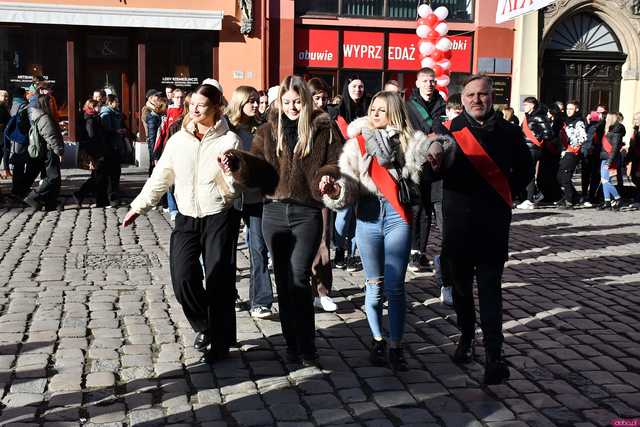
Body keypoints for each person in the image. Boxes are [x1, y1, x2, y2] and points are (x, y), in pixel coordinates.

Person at [123, 84, 249, 363]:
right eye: (192, 104)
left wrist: (230, 175)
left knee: (218, 279)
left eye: (201, 106)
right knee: (182, 278)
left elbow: (236, 189)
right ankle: (205, 326)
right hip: (187, 217)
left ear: (216, 108)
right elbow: (161, 177)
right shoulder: (178, 140)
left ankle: (219, 342)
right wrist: (138, 207)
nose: (193, 109)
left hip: (219, 215)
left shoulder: (230, 141)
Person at [323, 91, 445, 371]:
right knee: (374, 288)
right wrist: (335, 190)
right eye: (373, 109)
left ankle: (396, 345)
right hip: (367, 215)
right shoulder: (357, 144)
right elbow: (348, 186)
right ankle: (378, 338)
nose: (375, 114)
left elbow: (432, 153)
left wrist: (437, 147)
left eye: (382, 110)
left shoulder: (408, 141)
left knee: (396, 286)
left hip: (396, 216)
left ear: (395, 112)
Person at [225, 75, 341, 366]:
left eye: (297, 102)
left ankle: (308, 344)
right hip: (273, 213)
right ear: (280, 103)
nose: (292, 107)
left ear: (306, 101)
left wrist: (327, 175)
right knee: (284, 280)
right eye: (287, 102)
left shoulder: (323, 128)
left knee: (299, 275)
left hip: (307, 213)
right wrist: (236, 162)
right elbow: (257, 169)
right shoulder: (267, 130)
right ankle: (292, 344)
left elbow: (337, 160)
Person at [425, 75, 533, 385]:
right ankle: (467, 334)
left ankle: (494, 355)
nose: (477, 100)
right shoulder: (448, 131)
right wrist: (431, 167)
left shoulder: (511, 133)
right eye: (471, 95)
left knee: (490, 290)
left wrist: (506, 194)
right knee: (459, 289)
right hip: (458, 226)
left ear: (492, 97)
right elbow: (428, 176)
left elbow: (525, 171)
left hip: (492, 225)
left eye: (482, 94)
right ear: (463, 99)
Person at [224, 86, 275, 318]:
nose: (256, 105)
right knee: (228, 250)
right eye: (251, 101)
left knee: (259, 248)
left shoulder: (262, 127)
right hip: (231, 197)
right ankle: (229, 294)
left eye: (257, 101)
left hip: (255, 197)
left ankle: (260, 300)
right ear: (240, 102)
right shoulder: (226, 128)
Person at [406, 67, 446, 273]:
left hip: (437, 165)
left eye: (432, 81)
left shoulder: (442, 103)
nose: (429, 85)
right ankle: (413, 251)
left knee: (430, 209)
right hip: (416, 163)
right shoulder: (409, 105)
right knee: (417, 208)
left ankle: (420, 252)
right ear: (418, 83)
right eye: (425, 81)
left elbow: (443, 130)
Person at [307, 77, 341, 312]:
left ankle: (322, 291)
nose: (320, 101)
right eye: (316, 97)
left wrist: (329, 174)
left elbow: (339, 155)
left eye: (324, 98)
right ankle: (303, 289)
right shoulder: (296, 121)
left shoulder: (330, 123)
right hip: (297, 191)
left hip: (321, 191)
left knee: (322, 240)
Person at [332, 76, 369, 271]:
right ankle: (339, 249)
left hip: (365, 166)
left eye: (361, 86)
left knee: (359, 213)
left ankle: (352, 254)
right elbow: (348, 133)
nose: (358, 89)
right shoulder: (339, 111)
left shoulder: (370, 108)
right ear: (348, 88)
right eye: (354, 86)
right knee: (344, 212)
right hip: (345, 167)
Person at [23, 94, 65, 210]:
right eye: (50, 102)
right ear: (44, 104)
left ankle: (51, 203)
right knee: (53, 177)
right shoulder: (44, 117)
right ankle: (33, 196)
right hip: (50, 151)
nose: (52, 104)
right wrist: (59, 151)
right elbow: (50, 136)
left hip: (49, 150)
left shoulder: (42, 116)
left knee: (54, 178)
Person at [517, 97, 554, 209]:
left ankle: (529, 199)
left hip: (533, 148)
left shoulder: (538, 117)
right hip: (526, 148)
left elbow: (549, 133)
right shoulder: (528, 117)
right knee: (525, 173)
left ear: (532, 105)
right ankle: (526, 198)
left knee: (529, 174)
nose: (524, 107)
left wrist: (537, 138)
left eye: (526, 105)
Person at [75, 99, 110, 207]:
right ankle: (82, 194)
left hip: (98, 150)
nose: (99, 108)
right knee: (99, 177)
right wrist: (95, 154)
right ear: (92, 107)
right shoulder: (90, 119)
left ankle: (84, 195)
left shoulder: (94, 117)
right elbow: (92, 137)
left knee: (99, 176)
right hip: (95, 152)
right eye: (97, 106)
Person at [556, 100, 587, 208]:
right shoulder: (566, 121)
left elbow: (583, 138)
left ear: (576, 109)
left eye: (571, 109)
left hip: (573, 152)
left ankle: (569, 200)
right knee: (559, 176)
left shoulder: (579, 122)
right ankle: (575, 196)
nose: (568, 111)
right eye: (567, 109)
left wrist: (572, 141)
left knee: (565, 177)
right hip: (565, 152)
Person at [100, 95, 126, 201]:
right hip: (110, 147)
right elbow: (106, 130)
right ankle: (111, 196)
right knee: (111, 172)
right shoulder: (106, 113)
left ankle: (114, 193)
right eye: (116, 102)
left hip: (116, 145)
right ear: (110, 103)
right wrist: (117, 131)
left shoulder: (116, 112)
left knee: (116, 171)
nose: (118, 104)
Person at [598, 112, 625, 210]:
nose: (606, 120)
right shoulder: (608, 130)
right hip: (605, 157)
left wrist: (609, 162)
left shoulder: (616, 132)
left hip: (610, 159)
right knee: (604, 181)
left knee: (606, 181)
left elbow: (614, 149)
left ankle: (618, 199)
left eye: (607, 118)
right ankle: (607, 201)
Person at [581, 111, 603, 206]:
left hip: (586, 153)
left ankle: (585, 194)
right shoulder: (599, 127)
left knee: (585, 175)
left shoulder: (587, 126)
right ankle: (591, 195)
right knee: (594, 176)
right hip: (595, 154)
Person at [145, 95, 166, 175]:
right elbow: (152, 138)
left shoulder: (159, 116)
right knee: (154, 171)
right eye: (165, 107)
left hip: (157, 149)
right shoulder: (153, 118)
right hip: (155, 149)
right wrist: (154, 155)